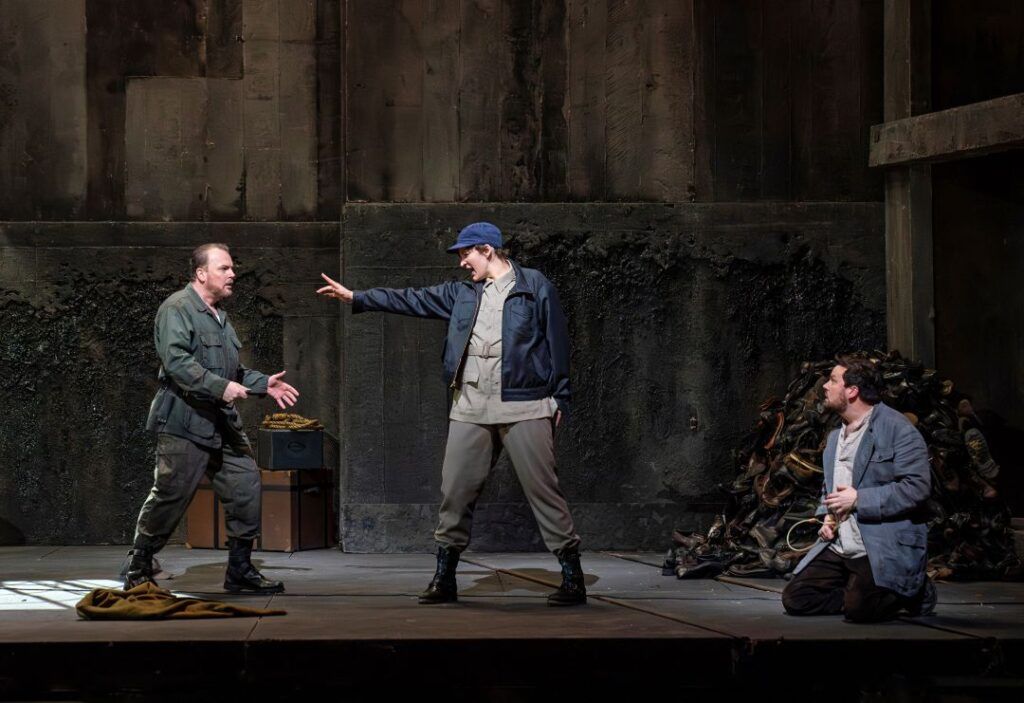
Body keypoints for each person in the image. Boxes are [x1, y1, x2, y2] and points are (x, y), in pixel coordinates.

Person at [318, 222, 586, 606]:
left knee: (544, 492)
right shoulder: (461, 293)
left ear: (487, 249)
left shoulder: (533, 286)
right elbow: (411, 299)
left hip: (525, 403)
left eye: (466, 254)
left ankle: (572, 578)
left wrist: (560, 396)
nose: (462, 263)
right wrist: (357, 297)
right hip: (471, 406)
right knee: (455, 492)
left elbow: (556, 340)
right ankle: (444, 578)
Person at [122, 243, 300, 594]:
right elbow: (177, 363)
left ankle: (240, 571)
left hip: (221, 423)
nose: (232, 274)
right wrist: (222, 388)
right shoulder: (177, 309)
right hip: (183, 421)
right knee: (170, 495)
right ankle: (139, 564)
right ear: (201, 273)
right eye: (224, 268)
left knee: (246, 485)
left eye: (232, 268)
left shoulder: (219, 316)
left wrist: (264, 383)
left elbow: (233, 370)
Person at [782, 354, 937, 622]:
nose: (825, 387)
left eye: (832, 380)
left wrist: (859, 499)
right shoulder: (834, 439)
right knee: (796, 598)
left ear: (852, 391)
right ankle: (865, 592)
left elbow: (917, 488)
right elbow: (830, 489)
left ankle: (916, 591)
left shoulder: (898, 429)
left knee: (859, 611)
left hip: (877, 542)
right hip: (843, 543)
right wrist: (828, 517)